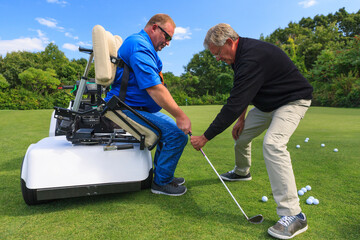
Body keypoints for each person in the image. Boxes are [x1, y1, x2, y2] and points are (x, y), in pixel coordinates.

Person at [190, 23, 313, 239]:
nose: (218, 59)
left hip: (293, 100)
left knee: (273, 144)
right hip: (267, 105)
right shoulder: (237, 57)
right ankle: (242, 172)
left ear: (229, 42)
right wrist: (242, 119)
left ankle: (294, 215)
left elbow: (233, 103)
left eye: (218, 53)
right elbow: (244, 91)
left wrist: (205, 137)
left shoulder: (251, 57)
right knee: (242, 136)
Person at [105, 14, 191, 196]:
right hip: (125, 107)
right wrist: (180, 115)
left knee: (173, 133)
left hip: (135, 106)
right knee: (177, 135)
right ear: (154, 28)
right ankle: (161, 183)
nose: (168, 43)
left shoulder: (145, 46)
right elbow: (154, 88)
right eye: (167, 37)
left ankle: (162, 175)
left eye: (170, 39)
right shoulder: (139, 46)